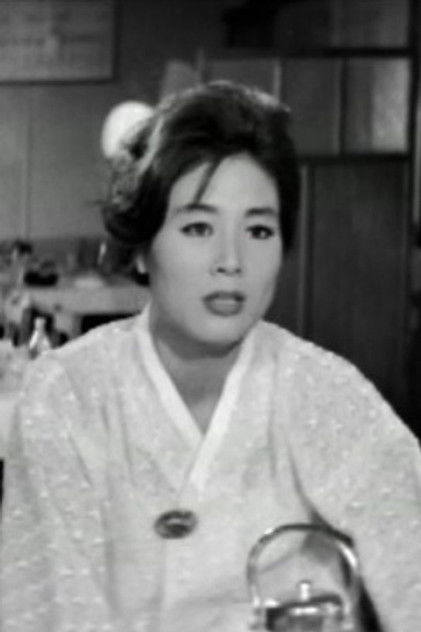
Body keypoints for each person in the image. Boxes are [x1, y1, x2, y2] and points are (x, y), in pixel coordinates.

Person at [1, 81, 421, 632]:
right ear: (142, 250)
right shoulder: (68, 396)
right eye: (198, 227)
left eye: (259, 229)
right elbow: (51, 613)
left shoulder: (325, 392)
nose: (232, 261)